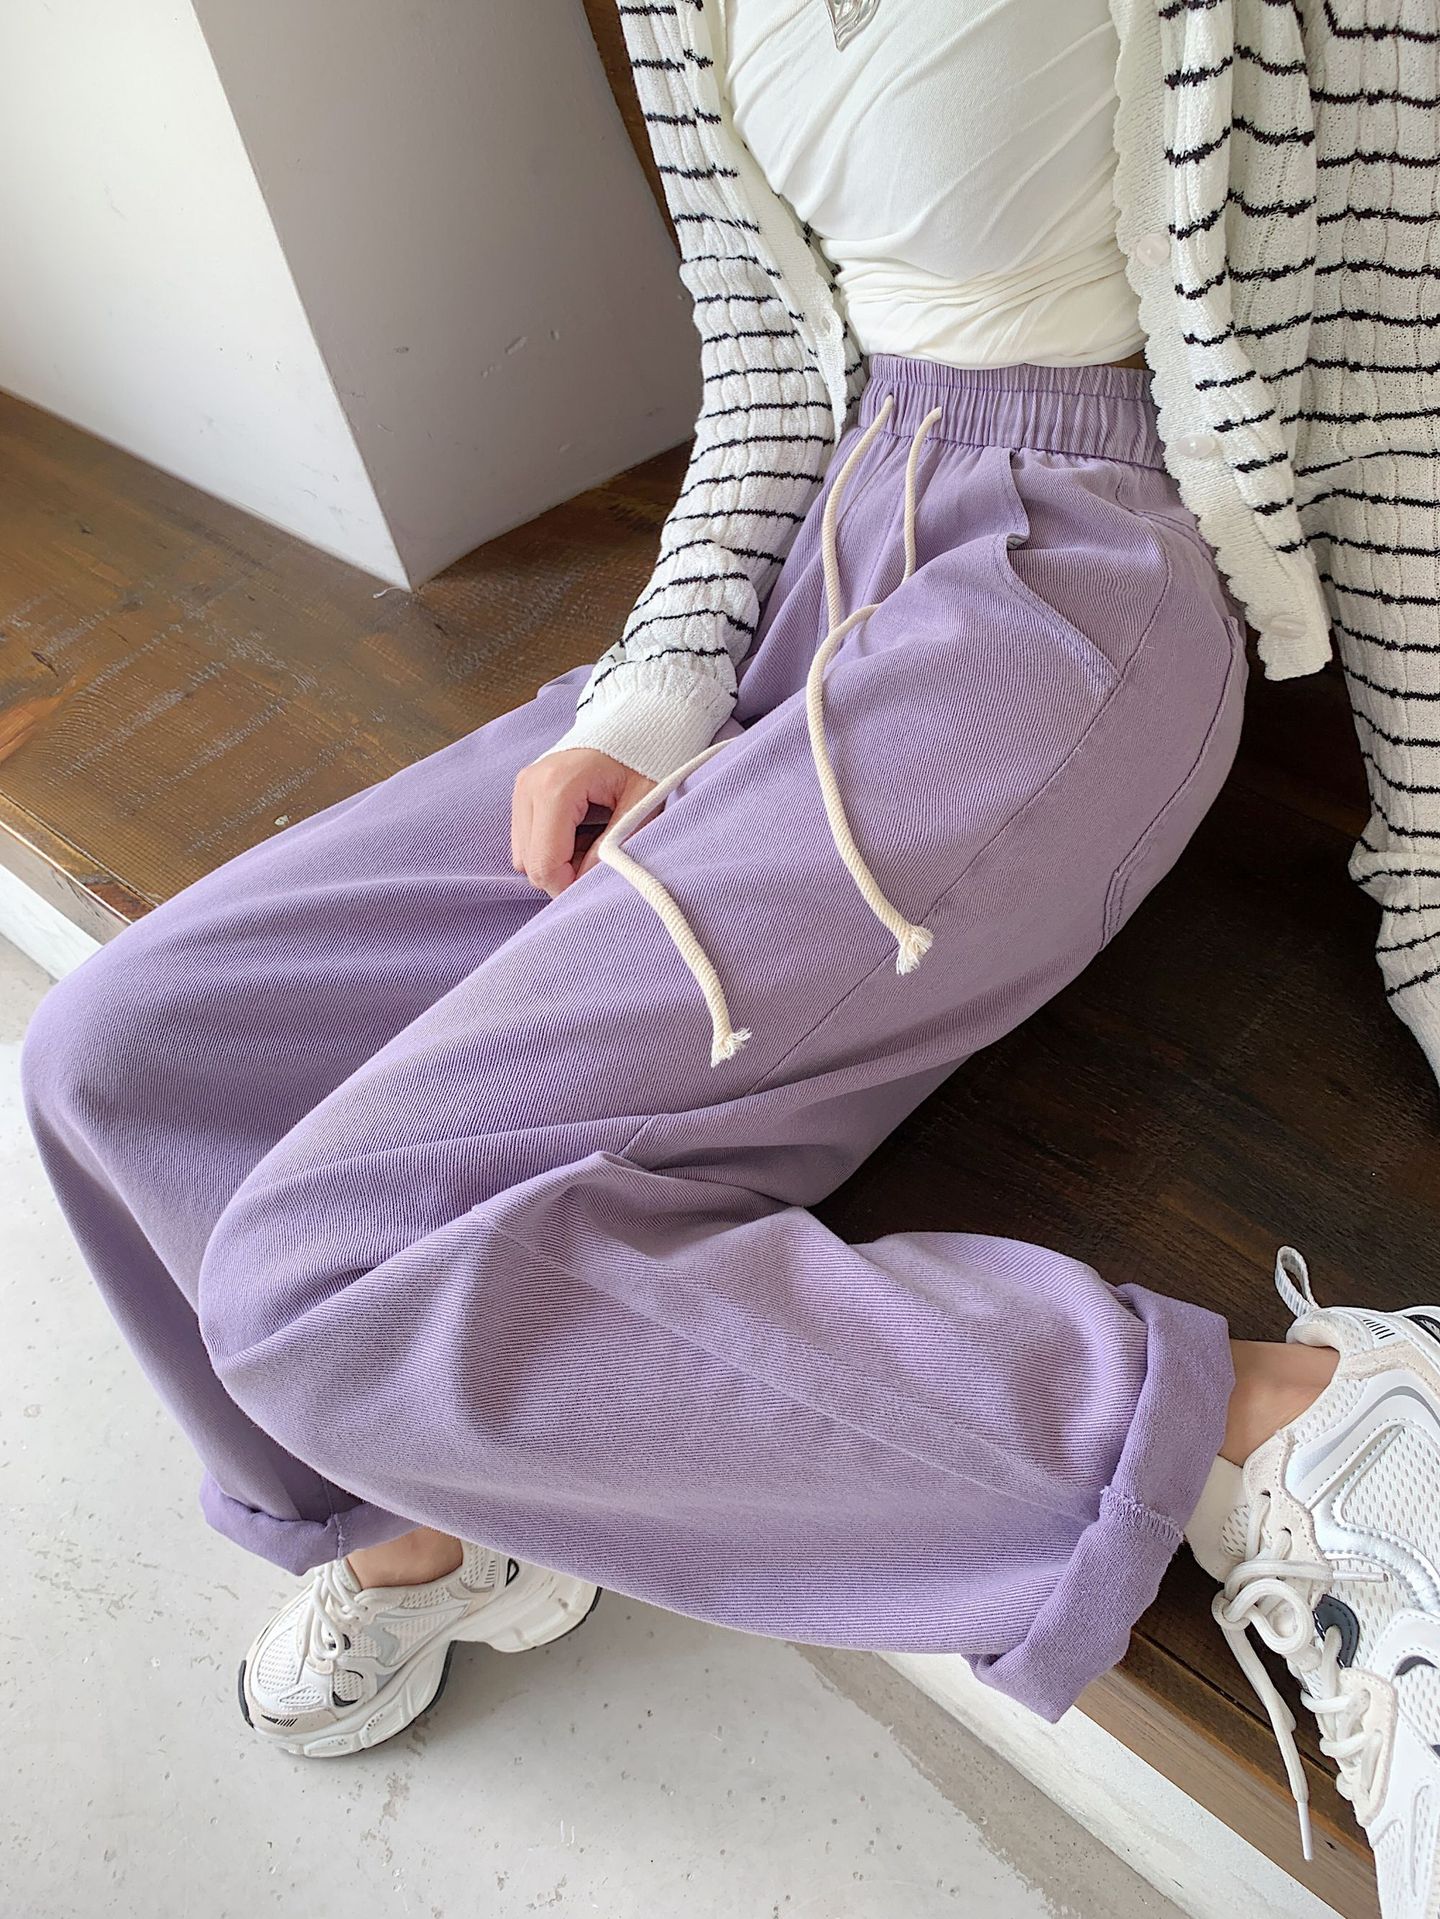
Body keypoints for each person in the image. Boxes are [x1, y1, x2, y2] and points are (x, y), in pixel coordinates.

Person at [19, 1, 1440, 1909]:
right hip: (808, 582)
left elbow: (1394, 402)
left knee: (320, 1275)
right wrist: (659, 688)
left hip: (1066, 608)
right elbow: (772, 371)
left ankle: (1310, 1424)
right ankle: (413, 1527)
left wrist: (1432, 869)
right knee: (118, 1050)